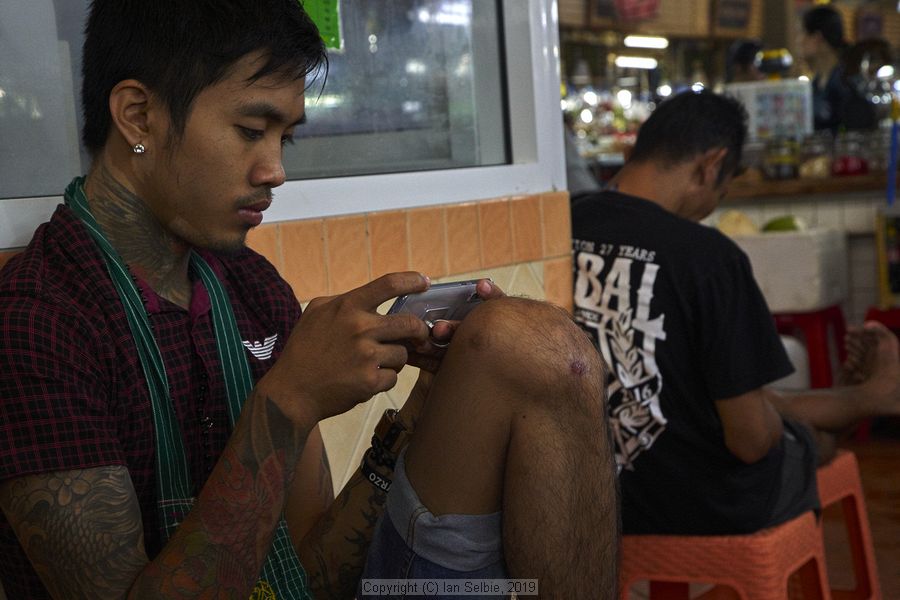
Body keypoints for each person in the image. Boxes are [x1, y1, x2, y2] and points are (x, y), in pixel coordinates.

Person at [0, 1, 619, 598]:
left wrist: (422, 407)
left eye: (284, 139)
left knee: (527, 345)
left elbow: (310, 580)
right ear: (138, 116)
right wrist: (289, 400)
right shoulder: (39, 323)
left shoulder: (251, 289)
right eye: (250, 131)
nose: (274, 171)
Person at [570, 89, 900, 536]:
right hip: (698, 504)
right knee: (798, 440)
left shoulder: (563, 222)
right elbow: (750, 443)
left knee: (745, 401)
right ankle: (868, 399)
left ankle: (845, 398)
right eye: (721, 191)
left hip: (592, 493)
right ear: (711, 165)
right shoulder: (708, 256)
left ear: (634, 153)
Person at [799, 5, 876, 133]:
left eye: (804, 34)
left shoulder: (848, 84)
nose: (800, 41)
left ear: (818, 38)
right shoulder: (816, 83)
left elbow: (859, 133)